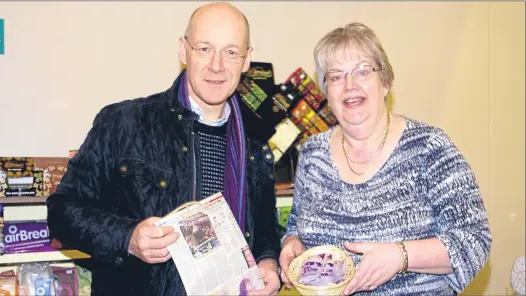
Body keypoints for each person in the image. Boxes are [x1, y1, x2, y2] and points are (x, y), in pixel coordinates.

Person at [46, 2, 281, 296]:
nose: (217, 65)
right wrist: (127, 237)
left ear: (248, 59)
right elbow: (61, 213)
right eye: (204, 49)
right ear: (183, 50)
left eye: (231, 52)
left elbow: (266, 231)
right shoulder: (124, 123)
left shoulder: (255, 143)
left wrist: (269, 263)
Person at [279, 22, 491, 296]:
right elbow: (297, 223)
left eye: (363, 71)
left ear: (386, 81)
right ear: (326, 92)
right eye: (336, 76)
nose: (350, 85)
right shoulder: (313, 153)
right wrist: (292, 242)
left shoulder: (429, 147)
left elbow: (474, 240)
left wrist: (401, 256)